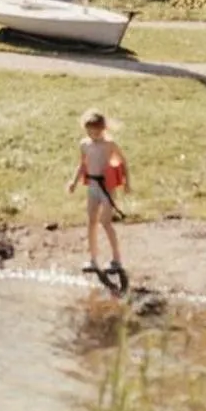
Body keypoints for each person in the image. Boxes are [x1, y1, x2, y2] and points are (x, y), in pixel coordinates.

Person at [66, 109, 128, 283]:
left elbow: (123, 162)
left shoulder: (110, 144)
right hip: (92, 186)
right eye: (90, 131)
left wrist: (126, 183)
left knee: (105, 222)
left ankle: (117, 259)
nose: (94, 135)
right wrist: (74, 182)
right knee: (91, 221)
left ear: (103, 128)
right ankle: (93, 259)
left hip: (106, 188)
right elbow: (82, 164)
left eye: (97, 131)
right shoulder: (84, 144)